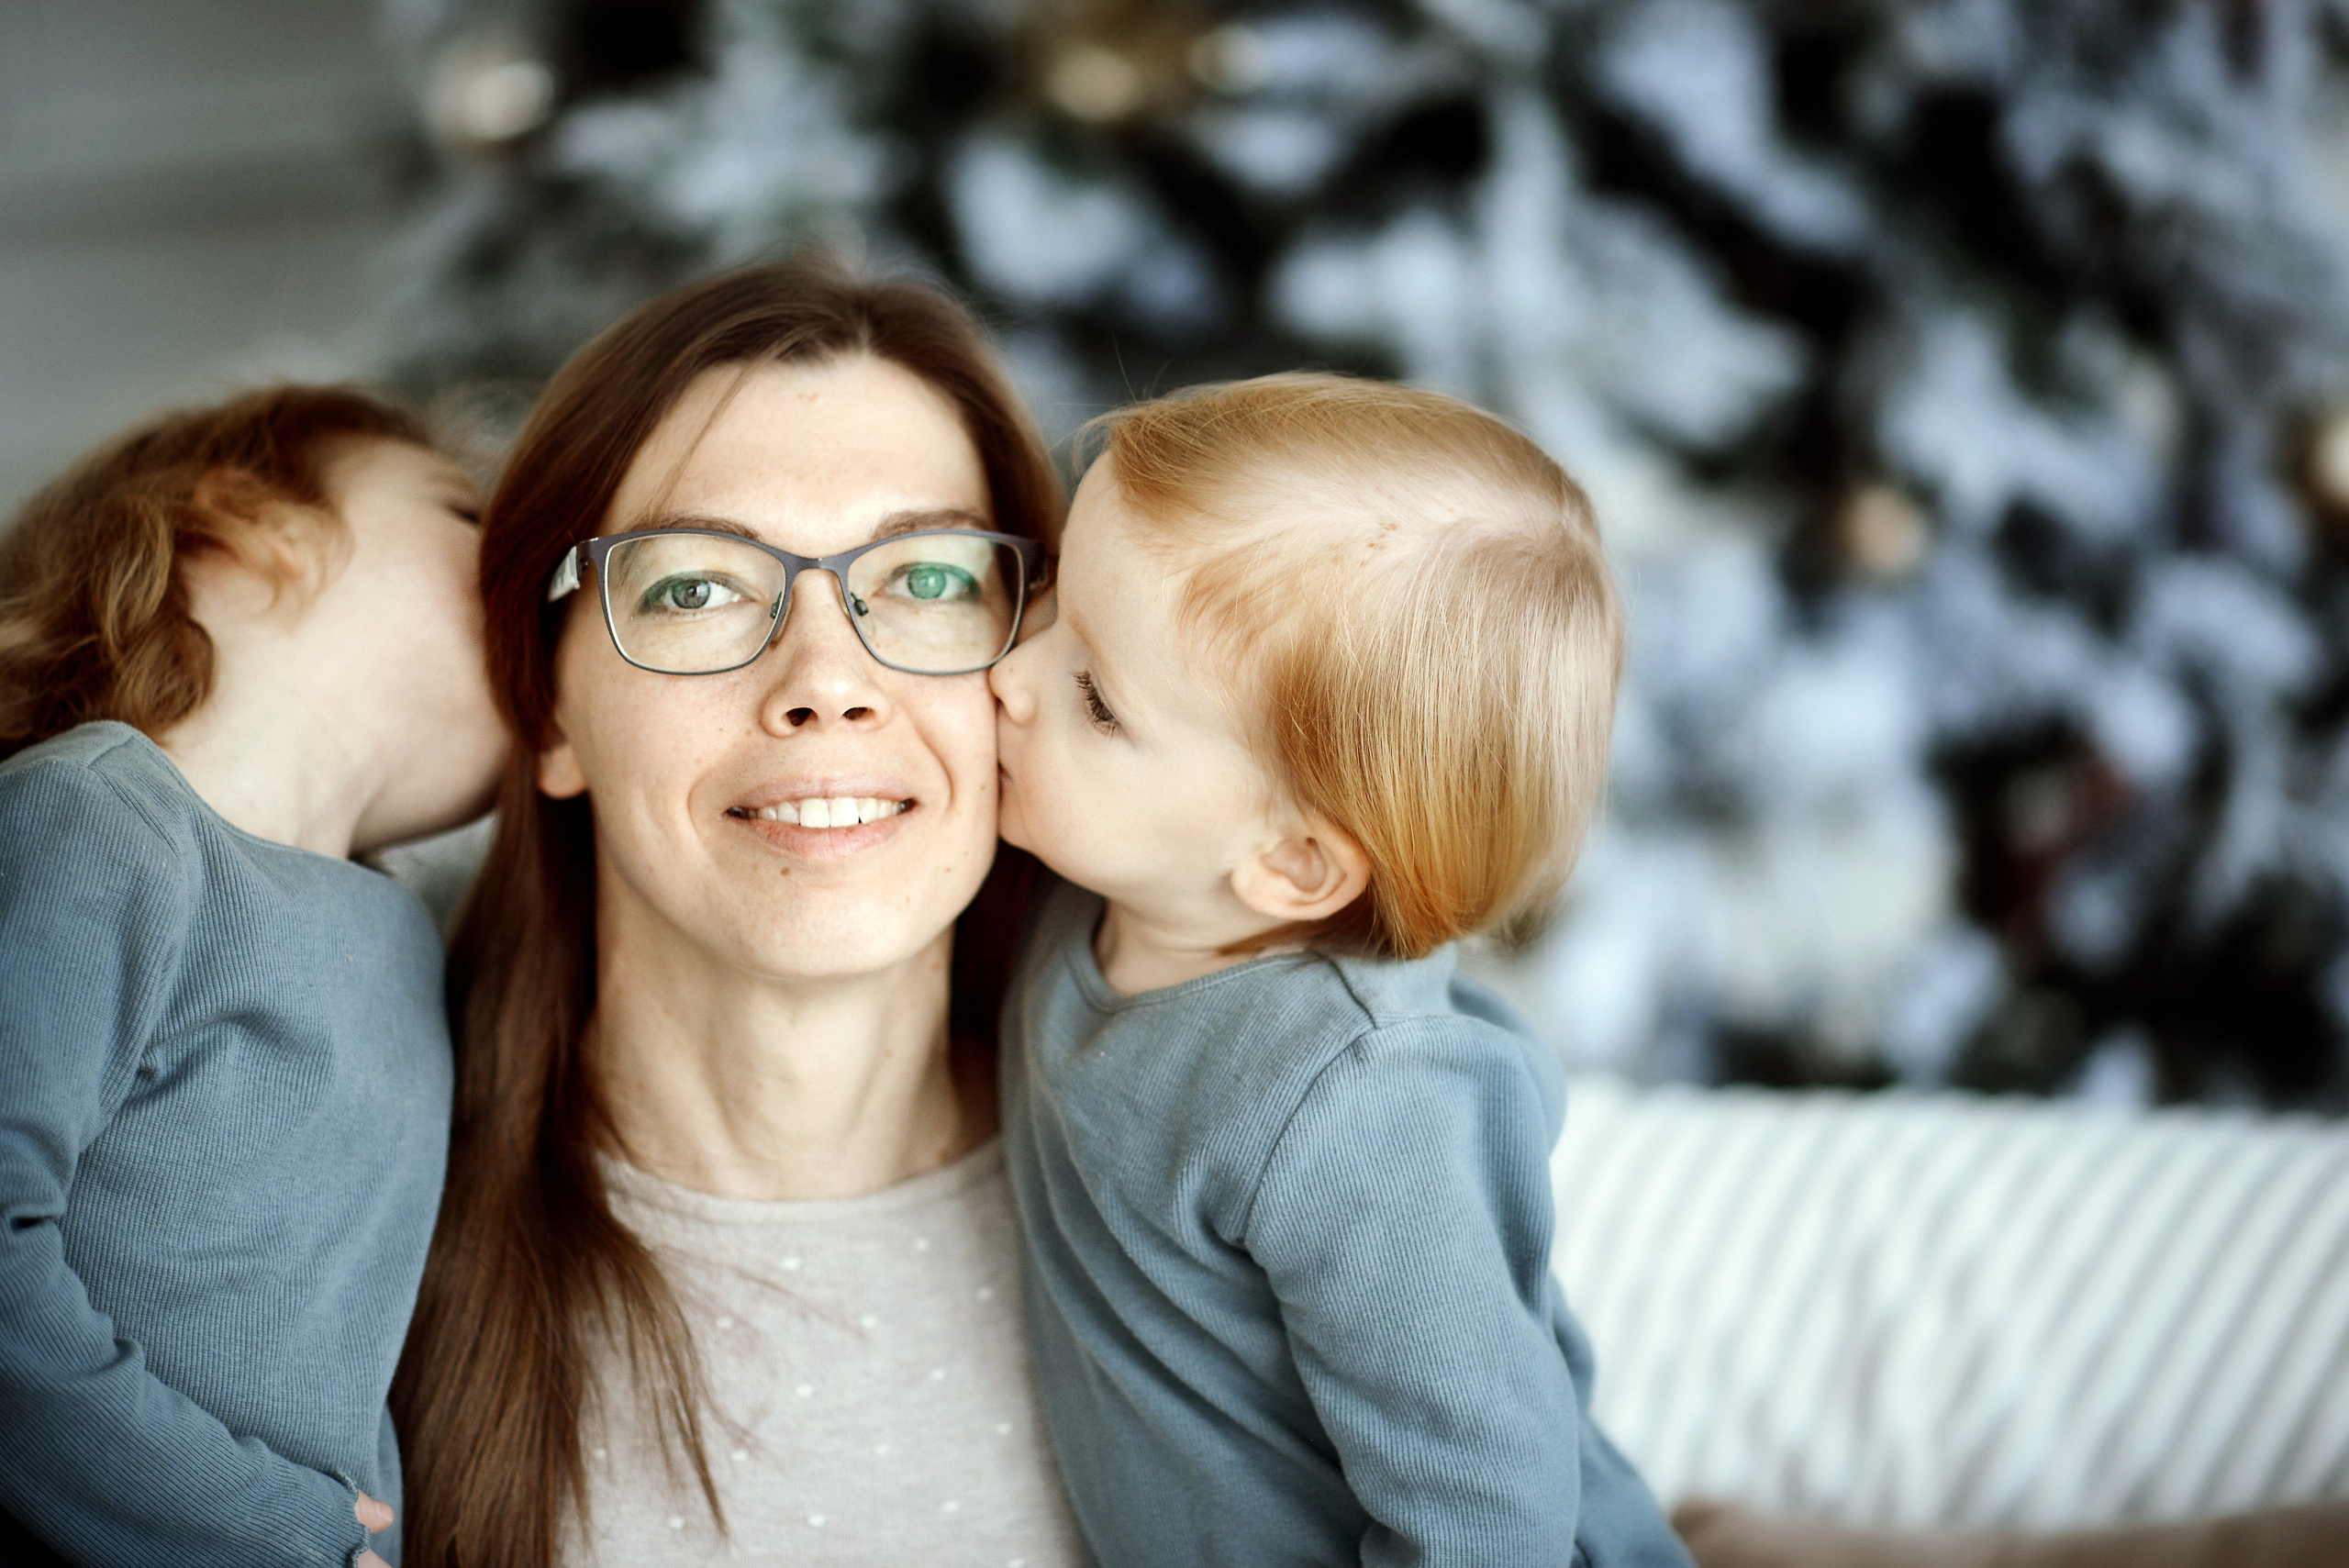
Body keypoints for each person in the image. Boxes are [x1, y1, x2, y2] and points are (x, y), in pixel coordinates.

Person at [389, 259, 1083, 1568]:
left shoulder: (1225, 1203)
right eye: (695, 587)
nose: (826, 680)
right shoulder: (340, 1248)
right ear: (547, 707)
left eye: (928, 580)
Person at [987, 373, 1692, 1565]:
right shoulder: (1102, 886)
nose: (1007, 673)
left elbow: (1486, 1508)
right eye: (1051, 589)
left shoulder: (1352, 1099)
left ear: (1296, 863)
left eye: (1096, 698)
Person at [0, 386, 506, 1565]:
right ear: (249, 519)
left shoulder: (408, 939)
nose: (527, 568)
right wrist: (255, 1520)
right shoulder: (98, 819)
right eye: (464, 513)